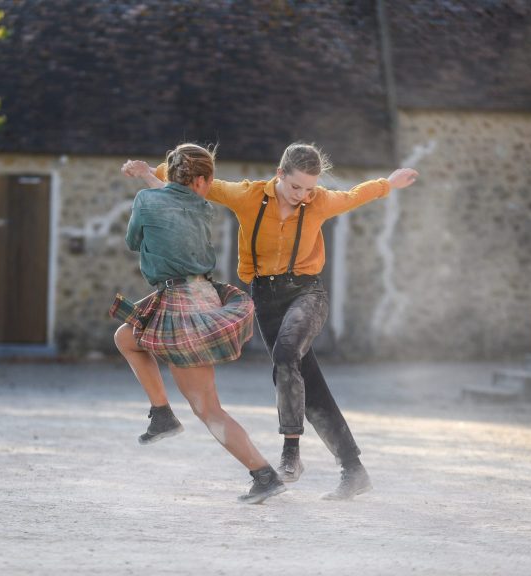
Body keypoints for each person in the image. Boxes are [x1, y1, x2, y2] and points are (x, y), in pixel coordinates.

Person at [123, 142, 418, 500]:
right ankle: (352, 469)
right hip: (265, 298)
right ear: (279, 175)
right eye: (296, 187)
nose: (303, 196)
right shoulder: (247, 197)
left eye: (310, 188)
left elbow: (355, 195)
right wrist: (152, 171)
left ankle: (289, 454)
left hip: (307, 294)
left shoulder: (319, 201)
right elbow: (194, 182)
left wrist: (389, 182)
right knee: (305, 381)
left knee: (285, 357)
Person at [111, 143, 286, 504]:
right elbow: (177, 198)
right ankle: (161, 413)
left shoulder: (147, 200)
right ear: (203, 181)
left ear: (173, 173)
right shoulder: (204, 208)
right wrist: (147, 173)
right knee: (127, 336)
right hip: (199, 296)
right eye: (210, 181)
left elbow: (133, 241)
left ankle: (263, 474)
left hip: (180, 303)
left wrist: (146, 183)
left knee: (208, 408)